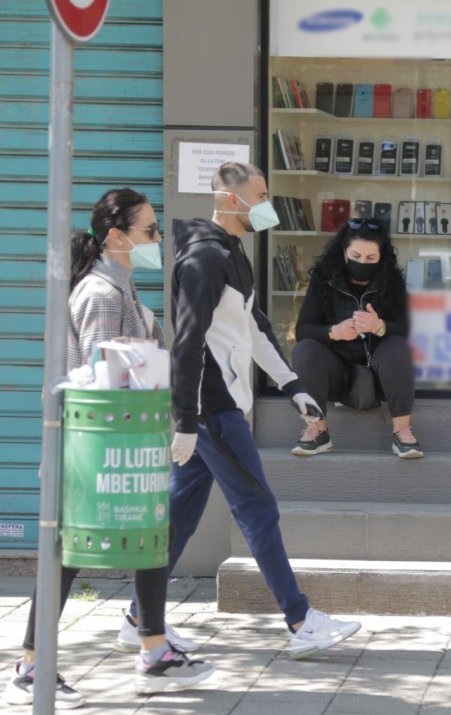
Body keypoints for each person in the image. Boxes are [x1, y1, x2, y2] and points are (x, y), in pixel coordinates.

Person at [4, 189, 214, 710]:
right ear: (117, 237)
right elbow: (103, 378)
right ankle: (33, 665)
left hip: (122, 445)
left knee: (149, 536)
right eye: (149, 231)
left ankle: (153, 648)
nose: (158, 239)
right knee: (71, 552)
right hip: (95, 449)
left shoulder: (120, 286)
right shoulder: (101, 293)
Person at [166, 161, 361, 658]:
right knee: (257, 506)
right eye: (261, 194)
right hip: (214, 410)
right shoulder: (202, 261)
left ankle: (138, 617)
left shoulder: (234, 254)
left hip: (224, 404)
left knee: (179, 517)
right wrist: (185, 420)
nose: (267, 204)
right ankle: (299, 620)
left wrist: (292, 386)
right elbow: (186, 343)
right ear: (232, 200)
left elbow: (253, 329)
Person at [291, 219, 423, 459]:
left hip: (381, 376)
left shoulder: (392, 283)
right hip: (336, 374)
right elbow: (303, 330)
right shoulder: (324, 280)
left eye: (371, 258)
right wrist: (334, 331)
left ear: (381, 257)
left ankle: (402, 431)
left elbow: (406, 329)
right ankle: (318, 431)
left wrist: (380, 326)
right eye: (356, 255)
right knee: (305, 350)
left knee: (398, 346)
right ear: (343, 252)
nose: (362, 262)